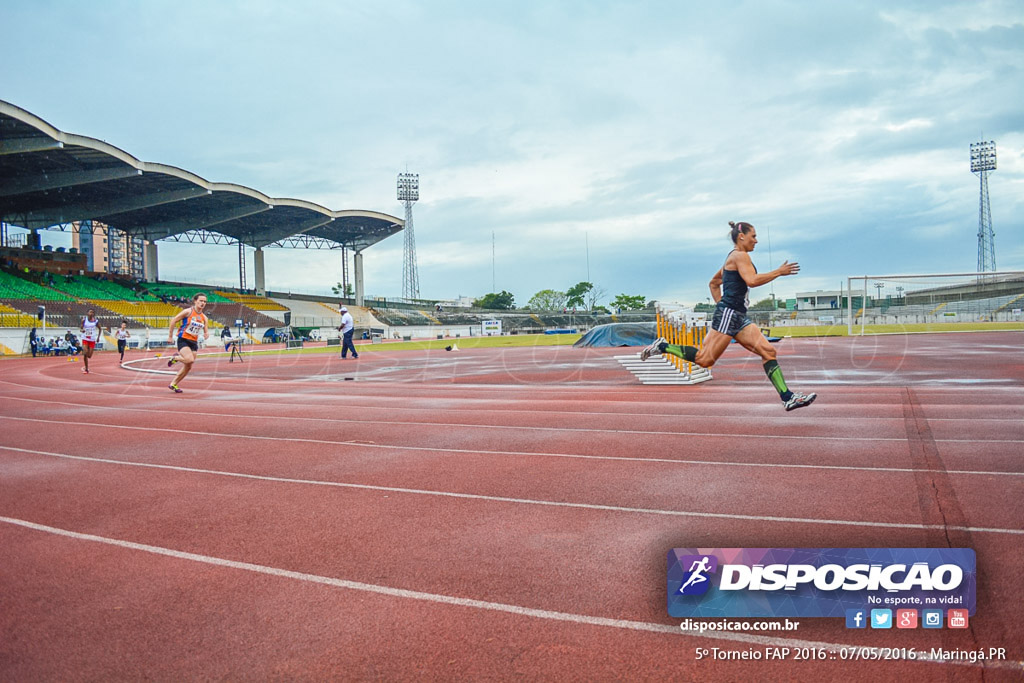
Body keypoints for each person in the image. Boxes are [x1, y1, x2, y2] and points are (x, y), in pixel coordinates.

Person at [640, 221, 816, 411]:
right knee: (705, 360)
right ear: (742, 237)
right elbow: (752, 280)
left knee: (768, 352)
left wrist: (724, 306)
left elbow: (714, 283)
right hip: (730, 314)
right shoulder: (740, 256)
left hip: (738, 316)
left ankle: (787, 397)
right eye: (753, 236)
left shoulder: (734, 258)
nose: (756, 241)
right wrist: (778, 272)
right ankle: (663, 346)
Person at [166, 293, 210, 393]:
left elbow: (206, 330)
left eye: (205, 301)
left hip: (193, 342)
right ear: (195, 301)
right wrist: (170, 335)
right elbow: (173, 320)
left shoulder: (204, 318)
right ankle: (175, 358)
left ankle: (173, 383)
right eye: (201, 301)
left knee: (189, 365)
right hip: (183, 339)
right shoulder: (188, 312)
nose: (203, 303)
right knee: (189, 360)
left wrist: (206, 334)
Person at [79, 309, 108, 374]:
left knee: (89, 356)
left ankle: (86, 352)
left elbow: (100, 329)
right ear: (87, 313)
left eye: (92, 312)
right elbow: (80, 328)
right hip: (85, 338)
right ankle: (86, 368)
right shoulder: (84, 320)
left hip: (92, 339)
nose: (91, 313)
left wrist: (98, 337)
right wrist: (82, 330)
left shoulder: (95, 321)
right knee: (85, 352)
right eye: (90, 312)